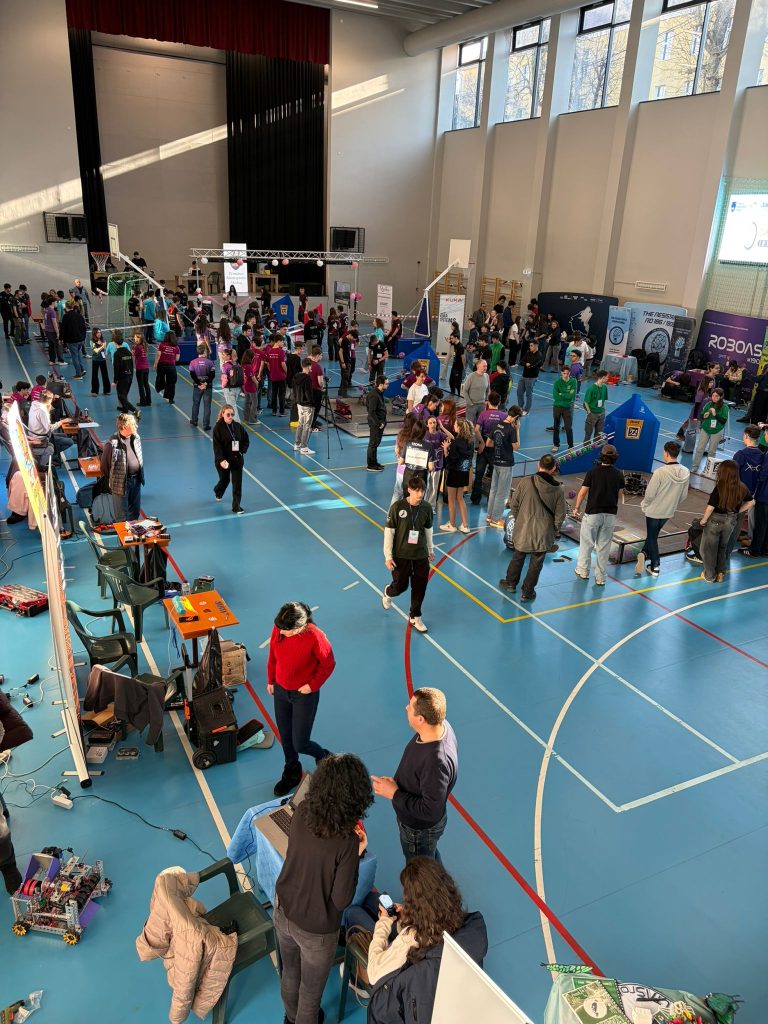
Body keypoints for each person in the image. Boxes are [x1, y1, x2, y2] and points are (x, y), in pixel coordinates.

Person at [274, 754, 372, 1024]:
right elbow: (341, 899)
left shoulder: (303, 810)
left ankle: (290, 1018)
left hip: (283, 910)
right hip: (316, 931)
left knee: (290, 973)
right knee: (310, 993)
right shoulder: (347, 842)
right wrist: (356, 853)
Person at [365, 858, 487, 1024]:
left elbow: (373, 973)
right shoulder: (459, 920)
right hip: (440, 980)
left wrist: (383, 923)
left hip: (396, 996)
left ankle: (353, 980)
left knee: (355, 913)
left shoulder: (410, 939)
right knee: (372, 900)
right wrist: (406, 918)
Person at [371, 687, 458, 861]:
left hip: (419, 831)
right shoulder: (439, 726)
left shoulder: (436, 762)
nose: (406, 707)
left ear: (420, 719)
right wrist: (398, 784)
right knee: (429, 858)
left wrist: (394, 793)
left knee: (420, 869)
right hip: (418, 826)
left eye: (410, 706)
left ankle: (434, 879)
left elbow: (431, 811)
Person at [266, 601, 336, 795]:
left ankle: (325, 758)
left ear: (299, 627)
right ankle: (292, 771)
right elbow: (273, 655)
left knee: (301, 743)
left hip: (303, 695)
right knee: (286, 738)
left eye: (286, 630)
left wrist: (311, 686)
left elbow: (328, 663)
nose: (280, 632)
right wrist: (271, 680)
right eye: (279, 628)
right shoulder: (280, 628)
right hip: (281, 691)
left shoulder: (315, 636)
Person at [500, 453, 565, 602]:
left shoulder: (526, 482)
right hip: (544, 532)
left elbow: (514, 504)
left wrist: (520, 519)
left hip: (524, 527)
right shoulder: (558, 490)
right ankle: (527, 592)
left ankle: (510, 583)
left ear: (538, 465)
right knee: (536, 562)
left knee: (518, 556)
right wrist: (554, 529)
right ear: (553, 468)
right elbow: (560, 515)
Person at [382, 476, 435, 634]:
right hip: (401, 555)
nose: (420, 494)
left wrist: (430, 550)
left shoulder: (426, 508)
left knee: (420, 586)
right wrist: (388, 556)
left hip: (420, 555)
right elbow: (389, 532)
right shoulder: (397, 507)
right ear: (409, 490)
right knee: (400, 587)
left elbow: (428, 530)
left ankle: (415, 616)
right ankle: (388, 591)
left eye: (422, 491)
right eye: (417, 491)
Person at [635, 441, 690, 578]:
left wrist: (645, 505)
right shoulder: (685, 472)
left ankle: (655, 565)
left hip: (654, 511)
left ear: (666, 453)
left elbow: (650, 494)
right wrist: (672, 504)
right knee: (653, 534)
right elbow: (684, 495)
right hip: (668, 511)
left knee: (652, 537)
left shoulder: (660, 472)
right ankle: (644, 553)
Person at [572, 444, 625, 585]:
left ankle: (583, 570)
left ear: (601, 456)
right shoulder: (619, 474)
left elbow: (582, 493)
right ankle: (601, 577)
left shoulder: (592, 472)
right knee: (604, 547)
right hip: (610, 515)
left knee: (587, 544)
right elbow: (620, 495)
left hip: (593, 513)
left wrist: (576, 508)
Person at [699, 460, 754, 583]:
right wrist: (738, 510)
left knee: (708, 549)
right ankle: (720, 573)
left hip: (715, 521)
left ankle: (709, 575)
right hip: (730, 521)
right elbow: (752, 502)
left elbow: (710, 508)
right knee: (722, 548)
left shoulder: (719, 488)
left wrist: (703, 520)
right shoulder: (742, 487)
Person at [100, 413, 144, 520]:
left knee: (135, 514)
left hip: (136, 481)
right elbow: (104, 467)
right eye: (133, 424)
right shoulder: (112, 444)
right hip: (120, 485)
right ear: (124, 427)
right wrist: (115, 479)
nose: (136, 426)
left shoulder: (136, 438)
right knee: (122, 518)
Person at [486, 405, 521, 528]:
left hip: (496, 461)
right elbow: (516, 447)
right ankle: (496, 519)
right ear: (516, 417)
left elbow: (488, 443)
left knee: (493, 490)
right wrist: (517, 430)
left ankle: (489, 515)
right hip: (506, 464)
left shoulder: (497, 425)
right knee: (502, 493)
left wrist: (499, 446)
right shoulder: (511, 429)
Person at [470, 391, 506, 506]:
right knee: (494, 476)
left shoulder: (483, 414)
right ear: (499, 403)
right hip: (497, 448)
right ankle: (491, 499)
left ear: (488, 402)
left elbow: (476, 430)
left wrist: (482, 442)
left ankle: (475, 499)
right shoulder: (504, 416)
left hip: (484, 446)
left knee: (479, 474)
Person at [212, 404, 249, 514]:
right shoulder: (217, 428)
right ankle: (218, 491)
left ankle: (236, 507)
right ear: (223, 414)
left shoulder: (237, 426)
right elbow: (217, 447)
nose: (230, 417)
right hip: (224, 460)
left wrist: (242, 451)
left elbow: (246, 439)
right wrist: (221, 460)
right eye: (228, 414)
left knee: (237, 484)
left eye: (232, 414)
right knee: (225, 480)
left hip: (237, 459)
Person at [440, 417, 474, 534]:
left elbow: (450, 461)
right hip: (464, 473)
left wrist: (445, 450)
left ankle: (452, 524)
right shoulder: (470, 442)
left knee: (451, 499)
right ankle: (465, 525)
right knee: (460, 498)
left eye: (455, 425)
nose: (454, 426)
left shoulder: (456, 443)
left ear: (459, 427)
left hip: (454, 473)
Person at [26, 389, 74, 469]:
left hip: (35, 433)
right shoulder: (42, 411)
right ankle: (52, 457)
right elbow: (49, 428)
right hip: (41, 436)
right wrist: (62, 421)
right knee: (70, 442)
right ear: (49, 400)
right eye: (52, 399)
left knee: (64, 436)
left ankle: (53, 456)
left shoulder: (34, 405)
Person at [692, 387, 728, 470]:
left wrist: (715, 414)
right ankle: (694, 467)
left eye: (716, 396)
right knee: (699, 449)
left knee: (711, 452)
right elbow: (702, 416)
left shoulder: (724, 407)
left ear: (721, 397)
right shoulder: (708, 404)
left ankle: (708, 470)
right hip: (705, 429)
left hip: (716, 431)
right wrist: (704, 416)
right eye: (713, 395)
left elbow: (723, 421)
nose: (714, 398)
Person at [189, 343, 216, 430]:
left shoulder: (193, 362)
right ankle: (206, 425)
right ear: (204, 352)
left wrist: (199, 384)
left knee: (195, 404)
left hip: (197, 386)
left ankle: (194, 420)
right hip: (208, 387)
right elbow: (212, 375)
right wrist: (206, 383)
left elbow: (192, 375)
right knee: (207, 406)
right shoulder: (210, 362)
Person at [292, 357, 316, 455]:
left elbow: (294, 391)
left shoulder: (296, 376)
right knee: (306, 426)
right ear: (309, 366)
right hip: (307, 405)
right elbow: (308, 393)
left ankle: (297, 444)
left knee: (300, 424)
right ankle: (304, 447)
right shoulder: (307, 378)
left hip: (299, 404)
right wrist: (313, 403)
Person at [552, 365, 577, 452]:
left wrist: (561, 394)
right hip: (557, 407)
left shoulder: (573, 381)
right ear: (561, 373)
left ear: (570, 373)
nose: (566, 375)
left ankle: (571, 446)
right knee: (556, 427)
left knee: (568, 428)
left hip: (567, 408)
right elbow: (555, 396)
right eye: (564, 373)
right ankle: (556, 445)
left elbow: (571, 396)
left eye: (567, 373)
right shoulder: (557, 382)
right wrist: (566, 394)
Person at [59, 300, 87, 380]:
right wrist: (83, 338)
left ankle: (78, 374)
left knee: (74, 356)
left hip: (72, 340)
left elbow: (63, 329)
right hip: (80, 339)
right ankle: (82, 369)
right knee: (78, 354)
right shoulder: (79, 315)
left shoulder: (66, 316)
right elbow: (84, 327)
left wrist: (61, 338)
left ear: (66, 307)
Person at [366, 374, 388, 472]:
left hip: (380, 423)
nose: (387, 385)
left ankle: (374, 462)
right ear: (381, 384)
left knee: (376, 443)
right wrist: (379, 424)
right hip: (376, 424)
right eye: (386, 384)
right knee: (373, 443)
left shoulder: (379, 393)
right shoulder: (374, 395)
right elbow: (372, 412)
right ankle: (371, 465)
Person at [516, 338, 541, 416]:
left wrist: (527, 364)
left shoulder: (539, 356)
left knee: (528, 394)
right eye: (530, 345)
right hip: (524, 376)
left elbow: (532, 366)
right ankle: (520, 407)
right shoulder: (528, 353)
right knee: (519, 392)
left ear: (536, 346)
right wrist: (526, 364)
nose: (530, 347)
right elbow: (521, 361)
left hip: (531, 377)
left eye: (531, 345)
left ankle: (527, 410)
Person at [153, 332, 180, 404]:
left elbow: (158, 354)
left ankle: (159, 387)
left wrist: (155, 363)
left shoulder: (162, 345)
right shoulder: (176, 347)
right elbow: (177, 359)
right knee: (171, 382)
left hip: (161, 365)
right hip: (171, 366)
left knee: (160, 377)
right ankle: (170, 399)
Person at [583, 369, 609, 441]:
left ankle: (596, 446)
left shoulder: (604, 387)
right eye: (607, 377)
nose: (608, 378)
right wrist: (589, 412)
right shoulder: (591, 389)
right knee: (588, 433)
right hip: (593, 414)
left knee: (599, 433)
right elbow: (586, 402)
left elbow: (604, 400)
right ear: (603, 377)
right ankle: (587, 446)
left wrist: (603, 410)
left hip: (601, 413)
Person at [461, 358, 489, 424]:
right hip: (472, 405)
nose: (486, 368)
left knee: (480, 424)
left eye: (486, 366)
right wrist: (470, 403)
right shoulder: (471, 376)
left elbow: (487, 390)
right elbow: (465, 390)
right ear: (478, 366)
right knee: (469, 424)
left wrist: (486, 400)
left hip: (482, 405)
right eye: (484, 366)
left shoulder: (487, 376)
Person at [265, 336, 288, 417]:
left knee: (274, 393)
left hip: (273, 376)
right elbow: (283, 364)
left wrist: (272, 370)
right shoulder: (281, 351)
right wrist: (287, 372)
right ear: (278, 341)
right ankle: (282, 411)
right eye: (282, 342)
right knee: (281, 394)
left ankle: (274, 411)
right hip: (281, 376)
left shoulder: (269, 351)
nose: (283, 343)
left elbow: (267, 364)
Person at [219, 346, 242, 420]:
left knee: (232, 407)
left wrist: (223, 386)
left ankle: (237, 423)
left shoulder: (225, 366)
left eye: (224, 355)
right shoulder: (236, 364)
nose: (222, 356)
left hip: (229, 389)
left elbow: (225, 378)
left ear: (229, 356)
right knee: (233, 405)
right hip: (237, 388)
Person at [132, 331, 151, 407]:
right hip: (146, 368)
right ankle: (148, 401)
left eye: (135, 337)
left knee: (141, 385)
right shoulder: (144, 346)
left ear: (139, 338)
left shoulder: (138, 347)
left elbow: (133, 354)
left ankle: (143, 401)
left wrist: (133, 350)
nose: (134, 338)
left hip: (140, 368)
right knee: (146, 384)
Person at [89, 327, 110, 396]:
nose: (99, 333)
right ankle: (94, 391)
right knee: (94, 375)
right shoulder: (92, 341)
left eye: (100, 332)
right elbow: (96, 351)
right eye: (98, 332)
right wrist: (102, 346)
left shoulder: (102, 339)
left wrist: (104, 346)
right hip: (95, 360)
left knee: (105, 375)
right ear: (94, 333)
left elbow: (105, 348)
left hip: (102, 359)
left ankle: (107, 390)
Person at [448, 332, 466, 396]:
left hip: (458, 367)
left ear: (456, 338)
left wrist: (464, 367)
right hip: (454, 366)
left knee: (458, 383)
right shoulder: (455, 343)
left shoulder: (460, 346)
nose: (451, 340)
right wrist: (448, 340)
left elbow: (463, 357)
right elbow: (450, 342)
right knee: (451, 381)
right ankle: (452, 393)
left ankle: (459, 395)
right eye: (450, 338)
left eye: (452, 338)